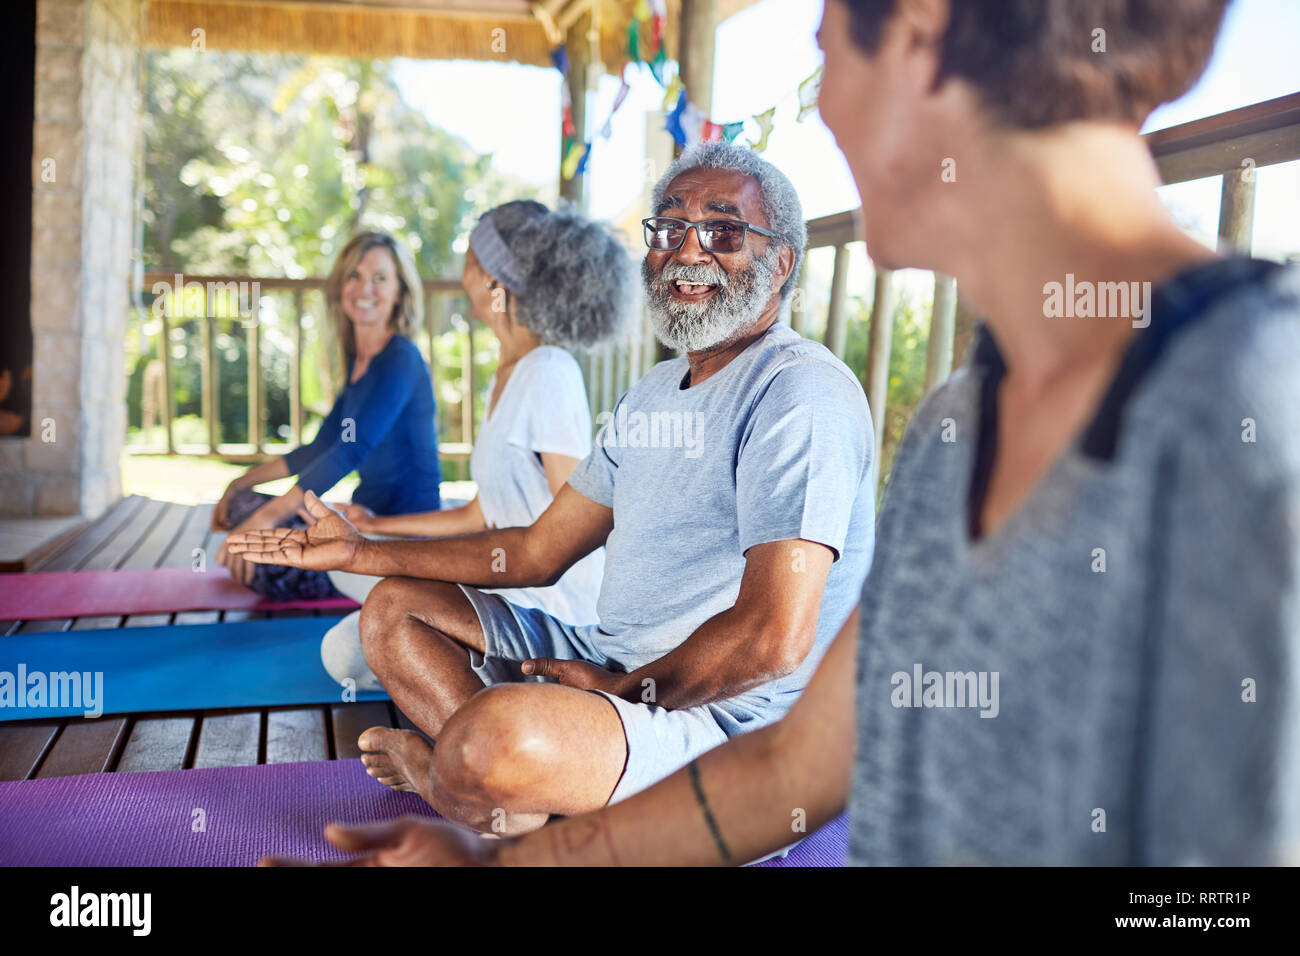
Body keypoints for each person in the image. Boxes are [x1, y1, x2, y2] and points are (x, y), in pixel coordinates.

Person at [259, 0, 1299, 866]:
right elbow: (792, 769)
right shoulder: (958, 424)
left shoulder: (1254, 396)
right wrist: (496, 863)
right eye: (672, 228)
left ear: (919, 34)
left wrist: (622, 696)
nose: (826, 107)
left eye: (826, 52)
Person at [227, 140, 877, 837]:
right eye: (669, 227)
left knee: (495, 735)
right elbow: (537, 550)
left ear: (781, 262)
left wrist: (626, 693)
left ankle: (470, 780)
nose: (687, 249)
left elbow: (772, 637)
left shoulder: (798, 392)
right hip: (607, 659)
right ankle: (510, 792)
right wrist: (361, 550)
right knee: (391, 611)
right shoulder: (654, 392)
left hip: (729, 725)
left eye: (722, 230)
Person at [319, 201, 633, 690]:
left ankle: (522, 686)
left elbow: (572, 526)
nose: (461, 276)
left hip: (546, 608)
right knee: (341, 566)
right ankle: (469, 665)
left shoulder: (549, 372)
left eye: (468, 262)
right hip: (501, 581)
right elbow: (481, 513)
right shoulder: (508, 372)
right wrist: (373, 526)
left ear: (494, 280)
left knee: (343, 653)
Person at [212, 231, 442, 601]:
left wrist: (267, 517)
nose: (364, 288)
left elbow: (351, 450)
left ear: (399, 292)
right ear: (341, 287)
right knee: (244, 505)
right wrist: (239, 483)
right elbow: (322, 446)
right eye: (354, 275)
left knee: (260, 539)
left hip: (401, 539)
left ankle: (368, 585)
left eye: (380, 278)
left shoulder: (401, 358)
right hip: (362, 520)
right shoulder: (359, 364)